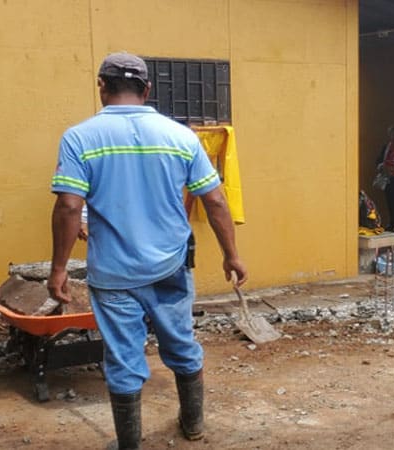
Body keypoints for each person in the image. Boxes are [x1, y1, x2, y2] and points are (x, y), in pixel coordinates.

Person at [47, 52, 247, 449]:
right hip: (170, 266)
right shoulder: (180, 136)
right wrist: (231, 254)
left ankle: (129, 444)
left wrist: (58, 269)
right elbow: (217, 201)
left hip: (114, 273)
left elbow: (70, 205)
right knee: (181, 342)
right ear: (147, 90)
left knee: (123, 357)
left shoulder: (80, 137)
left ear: (101, 86)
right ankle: (193, 424)